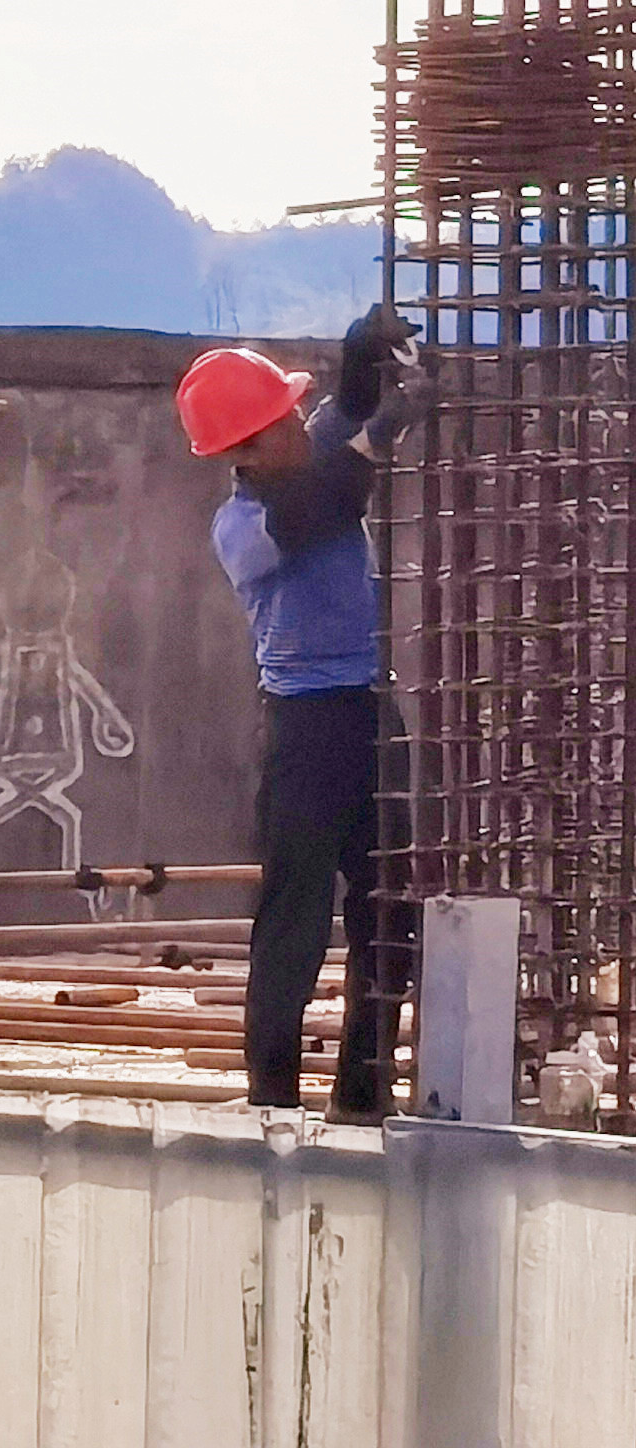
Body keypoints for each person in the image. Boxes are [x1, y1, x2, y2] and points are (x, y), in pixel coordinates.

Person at [175, 308, 423, 1118]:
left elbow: (343, 417)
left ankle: (363, 1092)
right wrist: (380, 434)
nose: (296, 421)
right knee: (295, 921)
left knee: (390, 914)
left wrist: (362, 353)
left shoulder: (308, 454)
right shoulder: (242, 527)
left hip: (367, 711)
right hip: (303, 732)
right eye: (281, 417)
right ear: (244, 448)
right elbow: (325, 502)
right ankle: (272, 1099)